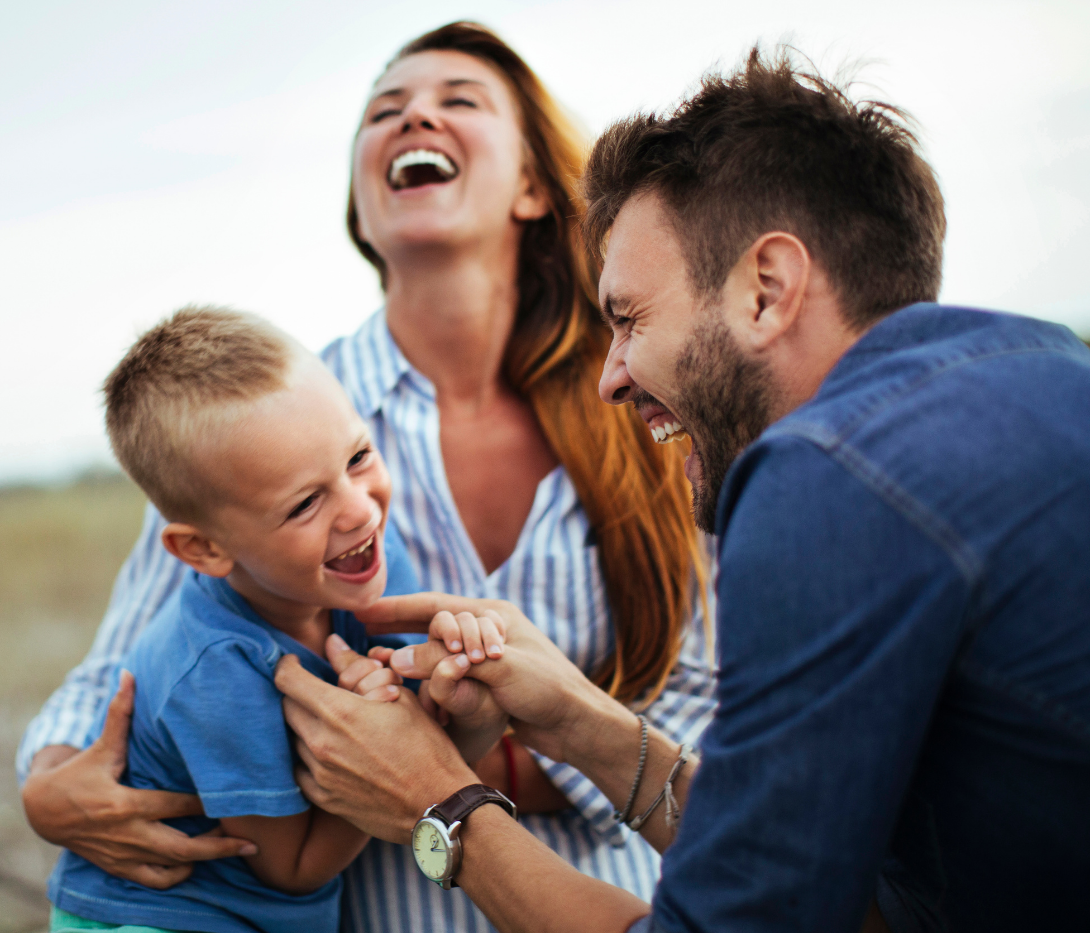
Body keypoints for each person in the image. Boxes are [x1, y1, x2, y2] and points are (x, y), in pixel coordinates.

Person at [270, 48, 1090, 933]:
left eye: (628, 318)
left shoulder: (824, 476)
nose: (610, 378)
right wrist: (584, 720)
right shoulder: (1046, 366)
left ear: (766, 292)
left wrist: (439, 801)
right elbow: (859, 909)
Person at [18, 22, 717, 933]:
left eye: (457, 100)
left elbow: (708, 706)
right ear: (363, 200)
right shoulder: (259, 424)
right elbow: (126, 661)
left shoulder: (644, 403)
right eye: (383, 110)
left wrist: (441, 757)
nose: (413, 113)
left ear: (535, 186)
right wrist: (49, 783)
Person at [48, 307, 507, 933]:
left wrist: (464, 675)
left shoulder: (368, 553)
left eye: (358, 457)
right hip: (158, 914)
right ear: (205, 550)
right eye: (305, 503)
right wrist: (382, 737)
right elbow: (292, 868)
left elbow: (428, 736)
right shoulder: (215, 669)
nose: (358, 510)